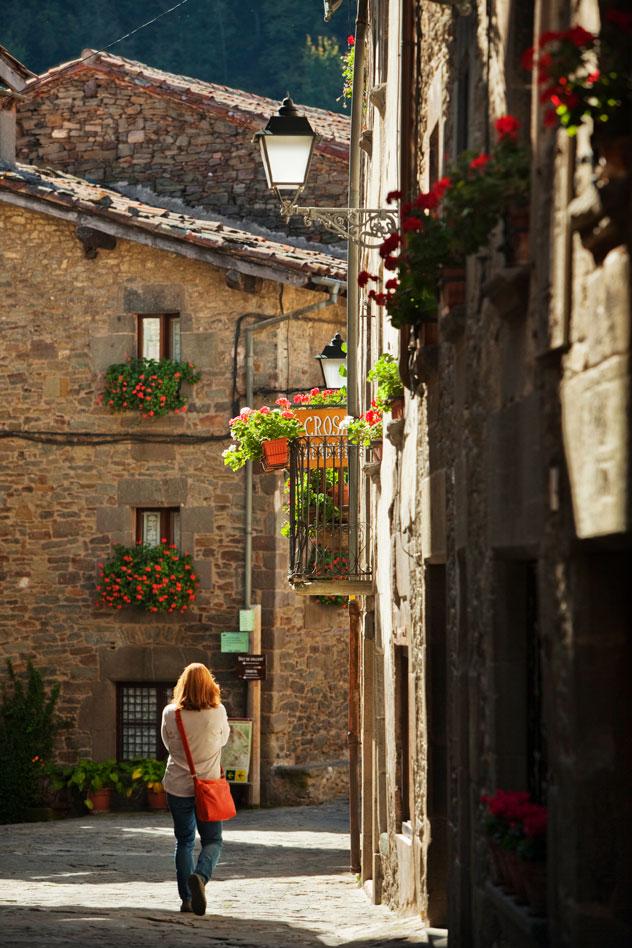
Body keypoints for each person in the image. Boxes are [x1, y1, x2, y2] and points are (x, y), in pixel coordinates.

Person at [161, 662, 231, 916]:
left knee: (184, 841)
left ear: (182, 685)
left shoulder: (171, 713)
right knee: (213, 840)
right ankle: (200, 876)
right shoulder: (218, 711)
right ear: (209, 686)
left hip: (178, 785)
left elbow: (167, 743)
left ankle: (187, 900)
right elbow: (223, 740)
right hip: (209, 786)